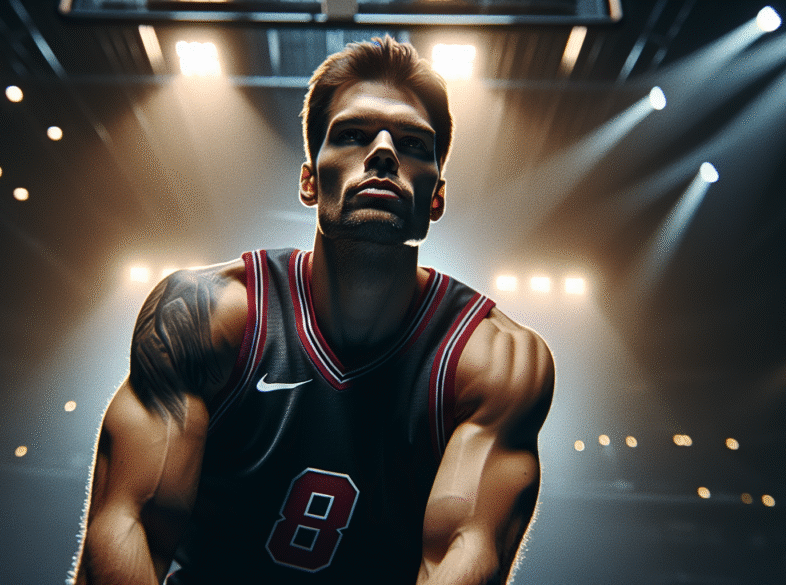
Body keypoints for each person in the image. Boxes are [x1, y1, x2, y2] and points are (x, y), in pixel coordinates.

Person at [72, 36, 554, 585]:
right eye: (351, 135)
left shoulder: (494, 362)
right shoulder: (205, 317)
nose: (383, 152)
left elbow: (462, 559)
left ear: (435, 198)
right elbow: (126, 528)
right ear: (308, 180)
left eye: (415, 145)